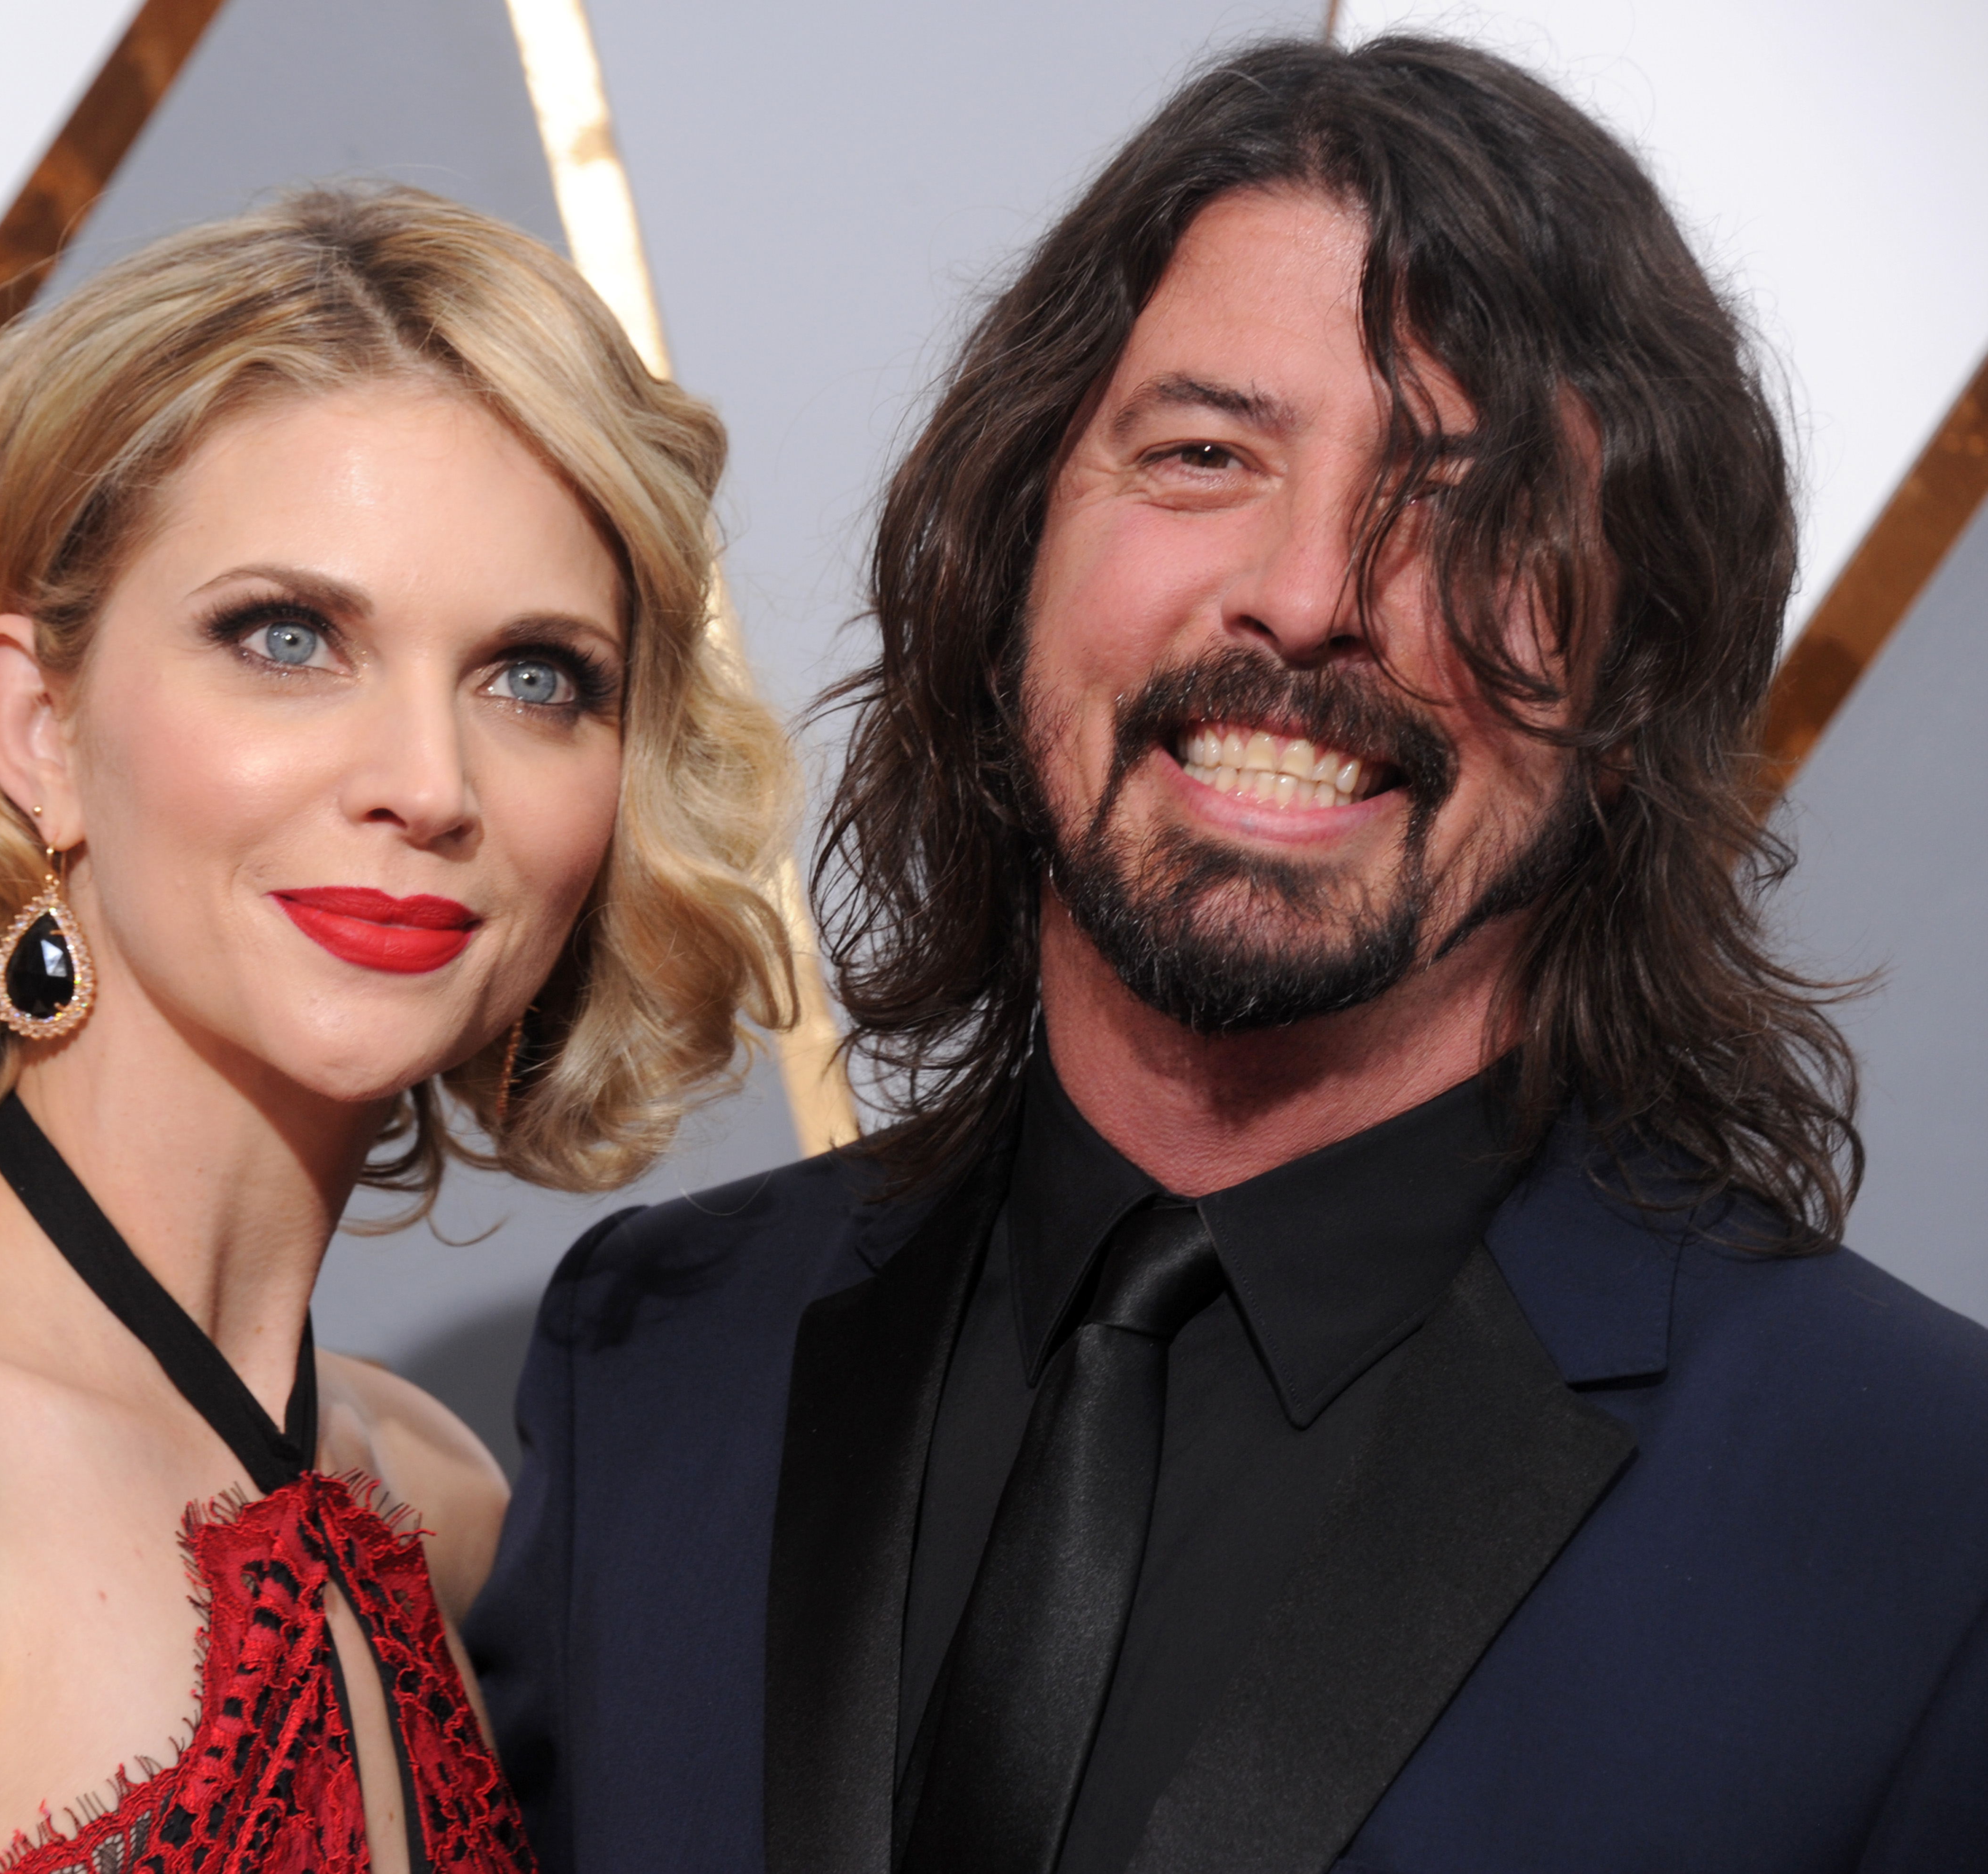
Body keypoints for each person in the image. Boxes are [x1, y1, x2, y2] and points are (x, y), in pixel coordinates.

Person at [464, 36, 1988, 1874]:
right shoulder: (654, 1356)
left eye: (1463, 507)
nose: (1307, 590)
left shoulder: (1917, 1509)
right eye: (1201, 454)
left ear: (1627, 676)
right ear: (1008, 545)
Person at [0, 185, 794, 1874]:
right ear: (36, 725)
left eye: (536, 677)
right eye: (290, 639)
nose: (428, 785)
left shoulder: (441, 1509)